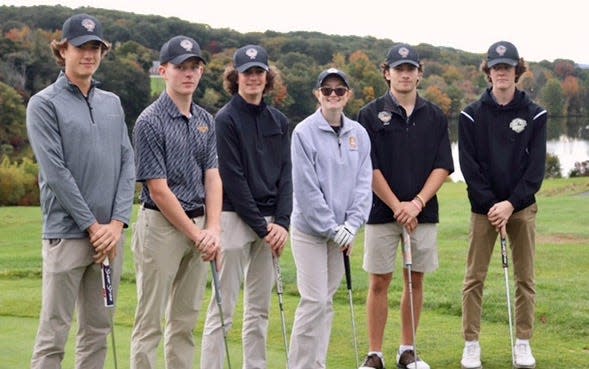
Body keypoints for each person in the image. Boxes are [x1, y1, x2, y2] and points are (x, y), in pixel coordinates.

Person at [26, 13, 135, 369]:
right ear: (63, 50)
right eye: (81, 47)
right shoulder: (44, 103)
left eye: (96, 48)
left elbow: (126, 162)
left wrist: (117, 223)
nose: (89, 54)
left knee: (97, 331)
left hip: (109, 240)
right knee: (54, 334)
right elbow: (56, 173)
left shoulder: (112, 103)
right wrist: (93, 226)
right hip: (67, 235)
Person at [357, 43, 454, 369]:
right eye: (399, 69)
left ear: (419, 74)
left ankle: (407, 350)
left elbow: (442, 166)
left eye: (411, 69)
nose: (405, 74)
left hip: (422, 213)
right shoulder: (369, 114)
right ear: (387, 73)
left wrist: (415, 203)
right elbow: (368, 167)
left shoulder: (435, 115)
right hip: (382, 211)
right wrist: (397, 204)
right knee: (379, 281)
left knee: (415, 281)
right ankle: (375, 354)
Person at [130, 35, 222, 369]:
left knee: (185, 322)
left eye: (194, 67)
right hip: (161, 227)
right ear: (164, 70)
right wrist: (199, 236)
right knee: (150, 321)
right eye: (180, 67)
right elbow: (158, 189)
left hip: (199, 226)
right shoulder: (149, 121)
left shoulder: (206, 120)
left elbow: (212, 176)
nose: (188, 73)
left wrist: (213, 229)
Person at [200, 44, 292, 369]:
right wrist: (265, 227)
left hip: (271, 225)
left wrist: (282, 223)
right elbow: (233, 179)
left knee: (259, 309)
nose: (253, 78)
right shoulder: (224, 120)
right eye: (247, 72)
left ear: (267, 77)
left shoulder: (279, 120)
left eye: (259, 72)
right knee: (223, 307)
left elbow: (286, 174)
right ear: (235, 77)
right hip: (234, 219)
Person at [459, 41, 547, 369]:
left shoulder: (535, 113)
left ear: (517, 72)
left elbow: (535, 169)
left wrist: (511, 203)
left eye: (507, 68)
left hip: (521, 207)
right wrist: (492, 205)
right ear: (488, 71)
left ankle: (523, 342)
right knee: (474, 278)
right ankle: (471, 344)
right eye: (496, 67)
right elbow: (470, 168)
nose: (501, 73)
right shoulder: (470, 114)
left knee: (525, 278)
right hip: (484, 209)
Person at [288, 68, 373, 368]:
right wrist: (334, 229)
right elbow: (307, 191)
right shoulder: (303, 132)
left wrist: (351, 225)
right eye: (327, 90)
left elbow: (364, 185)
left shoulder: (358, 134)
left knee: (325, 304)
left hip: (342, 233)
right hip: (310, 231)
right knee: (313, 301)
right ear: (318, 94)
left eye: (339, 90)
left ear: (348, 95)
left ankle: (318, 364)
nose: (333, 95)